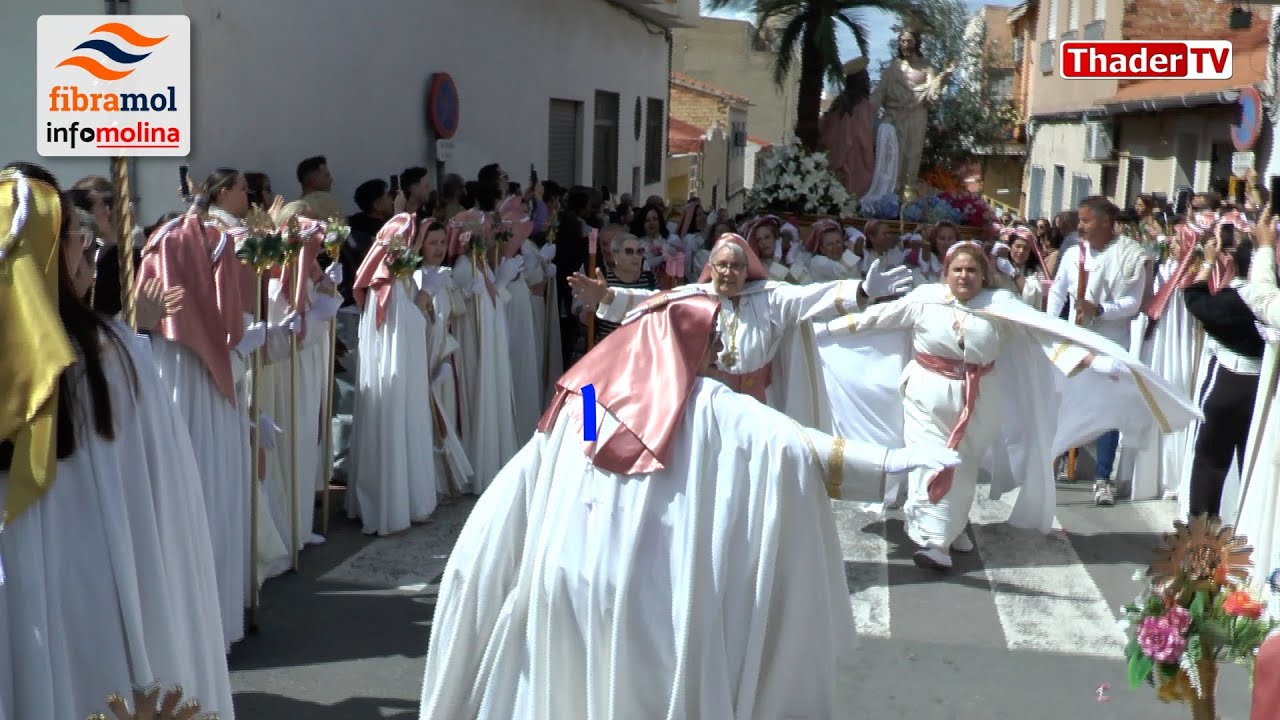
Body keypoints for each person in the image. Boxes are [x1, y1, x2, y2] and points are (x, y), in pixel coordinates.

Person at [417, 293, 961, 718]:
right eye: (713, 340)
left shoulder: (583, 397)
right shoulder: (717, 409)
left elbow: (580, 460)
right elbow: (799, 450)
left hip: (568, 576)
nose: (721, 352)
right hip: (650, 593)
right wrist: (895, 461)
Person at [0, 163, 235, 719]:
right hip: (101, 599)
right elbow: (167, 509)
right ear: (55, 257)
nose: (85, 256)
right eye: (76, 244)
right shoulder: (110, 357)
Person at [815, 241, 1200, 568]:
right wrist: (823, 330)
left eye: (971, 270)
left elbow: (1046, 336)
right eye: (956, 269)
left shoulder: (1001, 304)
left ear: (983, 275)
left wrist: (1094, 361)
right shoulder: (923, 299)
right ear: (945, 272)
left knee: (962, 465)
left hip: (979, 398)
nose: (963, 276)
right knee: (929, 460)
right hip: (924, 394)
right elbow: (875, 320)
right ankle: (935, 542)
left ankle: (953, 523)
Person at [568, 232, 913, 428]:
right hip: (701, 403)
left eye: (736, 266)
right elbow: (651, 300)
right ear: (711, 268)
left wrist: (863, 292)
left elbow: (813, 296)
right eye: (722, 265)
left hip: (758, 405)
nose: (729, 272)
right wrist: (607, 295)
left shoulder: (770, 298)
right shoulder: (696, 296)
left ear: (747, 269)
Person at [1046, 196, 1152, 505]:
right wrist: (1049, 326)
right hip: (1073, 342)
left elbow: (1133, 304)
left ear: (1105, 222)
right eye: (1078, 220)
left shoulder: (1130, 256)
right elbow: (1057, 291)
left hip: (1109, 345)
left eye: (1085, 221)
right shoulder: (1072, 255)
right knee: (1063, 404)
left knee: (1108, 412)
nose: (1080, 227)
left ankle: (1102, 478)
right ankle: (1053, 462)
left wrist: (1100, 309)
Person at [820, 56, 876, 197]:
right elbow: (862, 140)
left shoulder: (839, 104)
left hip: (836, 163)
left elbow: (825, 129)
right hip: (855, 165)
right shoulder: (863, 106)